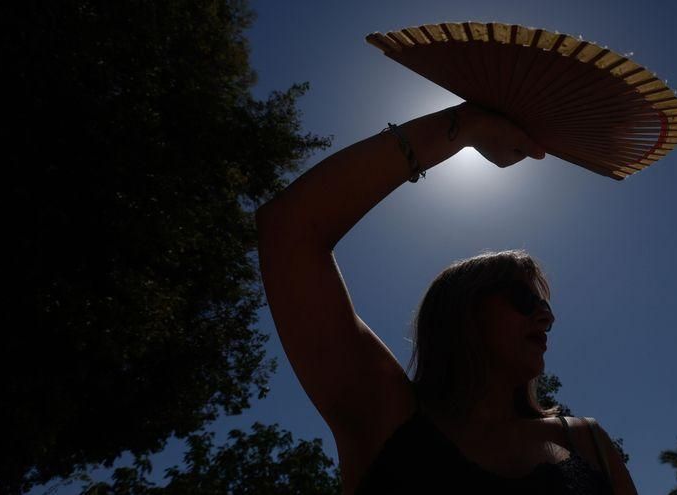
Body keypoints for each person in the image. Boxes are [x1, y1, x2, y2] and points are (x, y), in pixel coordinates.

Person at [255, 102, 638, 494]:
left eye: (545, 307)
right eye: (524, 299)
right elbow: (289, 229)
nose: (546, 318)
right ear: (462, 313)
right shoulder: (386, 418)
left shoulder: (587, 442)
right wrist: (466, 125)